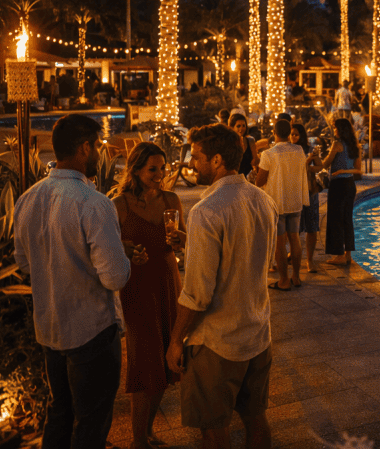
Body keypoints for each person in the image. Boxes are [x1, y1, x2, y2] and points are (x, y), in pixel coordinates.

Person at [14, 114, 143, 449]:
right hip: (92, 330)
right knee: (91, 422)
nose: (100, 154)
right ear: (86, 147)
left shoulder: (28, 198)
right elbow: (114, 276)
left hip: (50, 327)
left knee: (60, 412)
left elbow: (24, 262)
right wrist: (123, 256)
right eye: (99, 146)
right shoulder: (94, 204)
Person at [165, 124, 276, 449]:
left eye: (196, 157)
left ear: (216, 160)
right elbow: (248, 257)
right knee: (256, 419)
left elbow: (197, 294)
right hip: (257, 335)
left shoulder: (206, 211)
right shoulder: (262, 200)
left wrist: (175, 341)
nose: (191, 163)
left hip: (217, 343)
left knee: (213, 430)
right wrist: (191, 242)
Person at [112, 142, 185, 449]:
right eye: (152, 169)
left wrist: (182, 239)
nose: (159, 175)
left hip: (169, 282)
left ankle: (149, 431)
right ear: (136, 170)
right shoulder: (120, 204)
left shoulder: (172, 199)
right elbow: (110, 250)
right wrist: (128, 253)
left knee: (167, 361)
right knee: (145, 363)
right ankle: (138, 440)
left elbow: (180, 244)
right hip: (138, 287)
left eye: (162, 168)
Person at [256, 119, 310, 290]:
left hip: (277, 202)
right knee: (294, 238)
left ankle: (284, 280)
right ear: (289, 133)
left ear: (274, 132)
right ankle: (296, 276)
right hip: (295, 201)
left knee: (280, 242)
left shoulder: (268, 154)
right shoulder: (299, 150)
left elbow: (260, 180)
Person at [324, 118, 363, 265]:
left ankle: (339, 255)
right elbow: (359, 170)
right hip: (350, 184)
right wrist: (345, 170)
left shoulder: (337, 144)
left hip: (338, 185)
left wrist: (313, 160)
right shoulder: (355, 146)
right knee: (347, 219)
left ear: (341, 130)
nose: (334, 131)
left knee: (336, 219)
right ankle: (348, 255)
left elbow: (325, 163)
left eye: (335, 128)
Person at [290, 122, 323, 273]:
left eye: (296, 134)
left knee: (311, 226)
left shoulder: (310, 149)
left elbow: (319, 167)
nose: (293, 136)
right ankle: (294, 254)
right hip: (295, 191)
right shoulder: (288, 151)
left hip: (310, 192)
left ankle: (310, 260)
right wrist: (306, 163)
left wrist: (309, 163)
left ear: (302, 135)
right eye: (291, 134)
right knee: (294, 227)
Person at [229, 113, 258, 181]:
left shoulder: (250, 140)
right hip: (234, 179)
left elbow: (255, 161)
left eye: (243, 125)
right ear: (232, 127)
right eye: (238, 126)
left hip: (248, 179)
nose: (241, 128)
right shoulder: (229, 143)